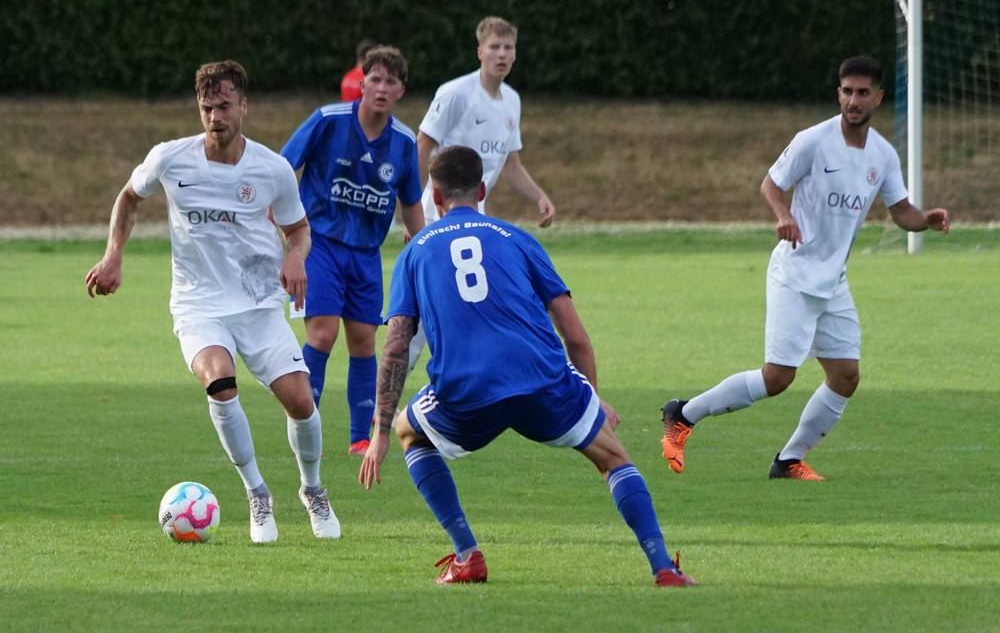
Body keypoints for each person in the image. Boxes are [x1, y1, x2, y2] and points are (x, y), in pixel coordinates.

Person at [359, 145, 696, 588]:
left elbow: (396, 344)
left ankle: (468, 556)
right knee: (613, 458)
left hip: (467, 391)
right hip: (542, 380)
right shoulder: (517, 238)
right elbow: (575, 335)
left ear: (435, 196)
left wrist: (381, 430)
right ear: (482, 190)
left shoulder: (415, 251)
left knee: (410, 432)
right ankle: (663, 567)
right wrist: (591, 402)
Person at [660, 56, 951, 481]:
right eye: (847, 91)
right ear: (838, 94)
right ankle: (682, 415)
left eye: (862, 93)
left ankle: (788, 460)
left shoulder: (883, 155)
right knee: (777, 378)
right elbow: (770, 184)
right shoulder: (813, 141)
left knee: (845, 375)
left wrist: (925, 220)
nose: (853, 100)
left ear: (878, 97)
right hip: (794, 275)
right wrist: (783, 215)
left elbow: (901, 211)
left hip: (833, 282)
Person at [85, 60, 340, 543]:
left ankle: (312, 490)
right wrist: (113, 255)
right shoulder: (170, 158)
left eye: (223, 106)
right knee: (220, 383)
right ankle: (257, 494)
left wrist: (296, 258)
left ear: (244, 105)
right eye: (206, 108)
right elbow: (128, 197)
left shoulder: (272, 168)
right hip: (198, 305)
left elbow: (299, 229)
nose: (214, 117)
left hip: (258, 304)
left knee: (301, 401)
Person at [281, 45, 424, 457]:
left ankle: (360, 438)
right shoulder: (328, 120)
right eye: (374, 79)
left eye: (390, 82)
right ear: (361, 84)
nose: (381, 88)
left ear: (400, 91)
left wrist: (425, 248)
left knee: (363, 342)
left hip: (365, 254)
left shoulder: (403, 142)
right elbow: (281, 167)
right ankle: (305, 426)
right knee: (322, 334)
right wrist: (282, 229)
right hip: (318, 244)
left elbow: (411, 203)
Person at [405, 16, 557, 373]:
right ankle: (387, 389)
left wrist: (538, 196)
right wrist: (412, 213)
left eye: (508, 47)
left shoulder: (512, 101)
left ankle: (469, 379)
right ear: (480, 52)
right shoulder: (455, 93)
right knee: (427, 306)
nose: (501, 54)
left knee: (468, 301)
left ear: (515, 54)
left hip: (476, 217)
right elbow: (421, 147)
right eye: (494, 47)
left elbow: (510, 163)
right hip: (437, 211)